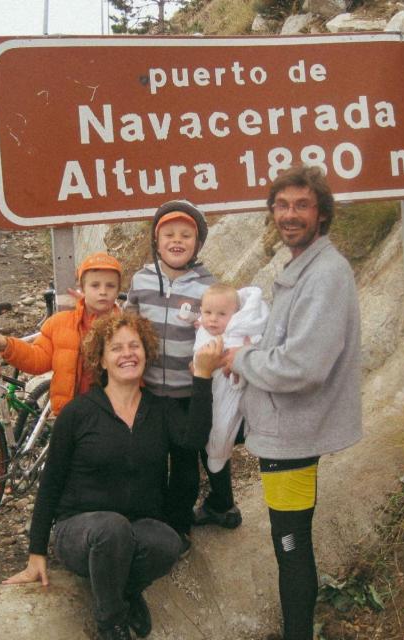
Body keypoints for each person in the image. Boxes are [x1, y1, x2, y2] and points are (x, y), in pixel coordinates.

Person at [3, 313, 223, 640]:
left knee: (167, 542)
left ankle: (122, 590)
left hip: (137, 527)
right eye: (116, 348)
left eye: (135, 346)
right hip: (81, 530)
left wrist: (202, 377)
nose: (127, 353)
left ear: (146, 354)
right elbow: (50, 484)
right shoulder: (78, 413)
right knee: (111, 529)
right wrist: (37, 553)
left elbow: (194, 439)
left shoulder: (160, 409)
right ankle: (112, 625)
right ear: (101, 360)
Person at [222, 164, 362, 640]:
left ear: (322, 214)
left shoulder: (325, 274)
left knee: (291, 544)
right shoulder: (305, 267)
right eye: (281, 205)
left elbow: (303, 367)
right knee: (292, 542)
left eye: (302, 205)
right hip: (288, 427)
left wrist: (241, 358)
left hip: (293, 434)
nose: (289, 214)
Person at [124, 201, 240, 554]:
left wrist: (219, 354)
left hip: (189, 392)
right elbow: (128, 323)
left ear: (198, 243)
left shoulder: (207, 286)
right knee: (154, 457)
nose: (177, 241)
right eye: (169, 235)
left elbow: (222, 328)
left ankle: (179, 522)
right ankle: (156, 517)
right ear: (156, 241)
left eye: (186, 235)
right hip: (149, 392)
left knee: (186, 459)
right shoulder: (141, 281)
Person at [0, 252, 122, 417]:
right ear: (82, 288)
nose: (103, 291)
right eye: (95, 285)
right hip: (70, 415)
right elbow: (38, 359)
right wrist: (7, 345)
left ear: (118, 290)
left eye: (110, 286)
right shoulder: (59, 323)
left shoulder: (126, 329)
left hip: (113, 415)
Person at [192, 283, 268, 476]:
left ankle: (219, 453)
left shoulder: (240, 332)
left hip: (231, 386)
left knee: (224, 421)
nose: (213, 319)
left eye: (221, 314)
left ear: (236, 315)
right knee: (212, 421)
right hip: (208, 384)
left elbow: (254, 346)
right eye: (207, 313)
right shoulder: (204, 328)